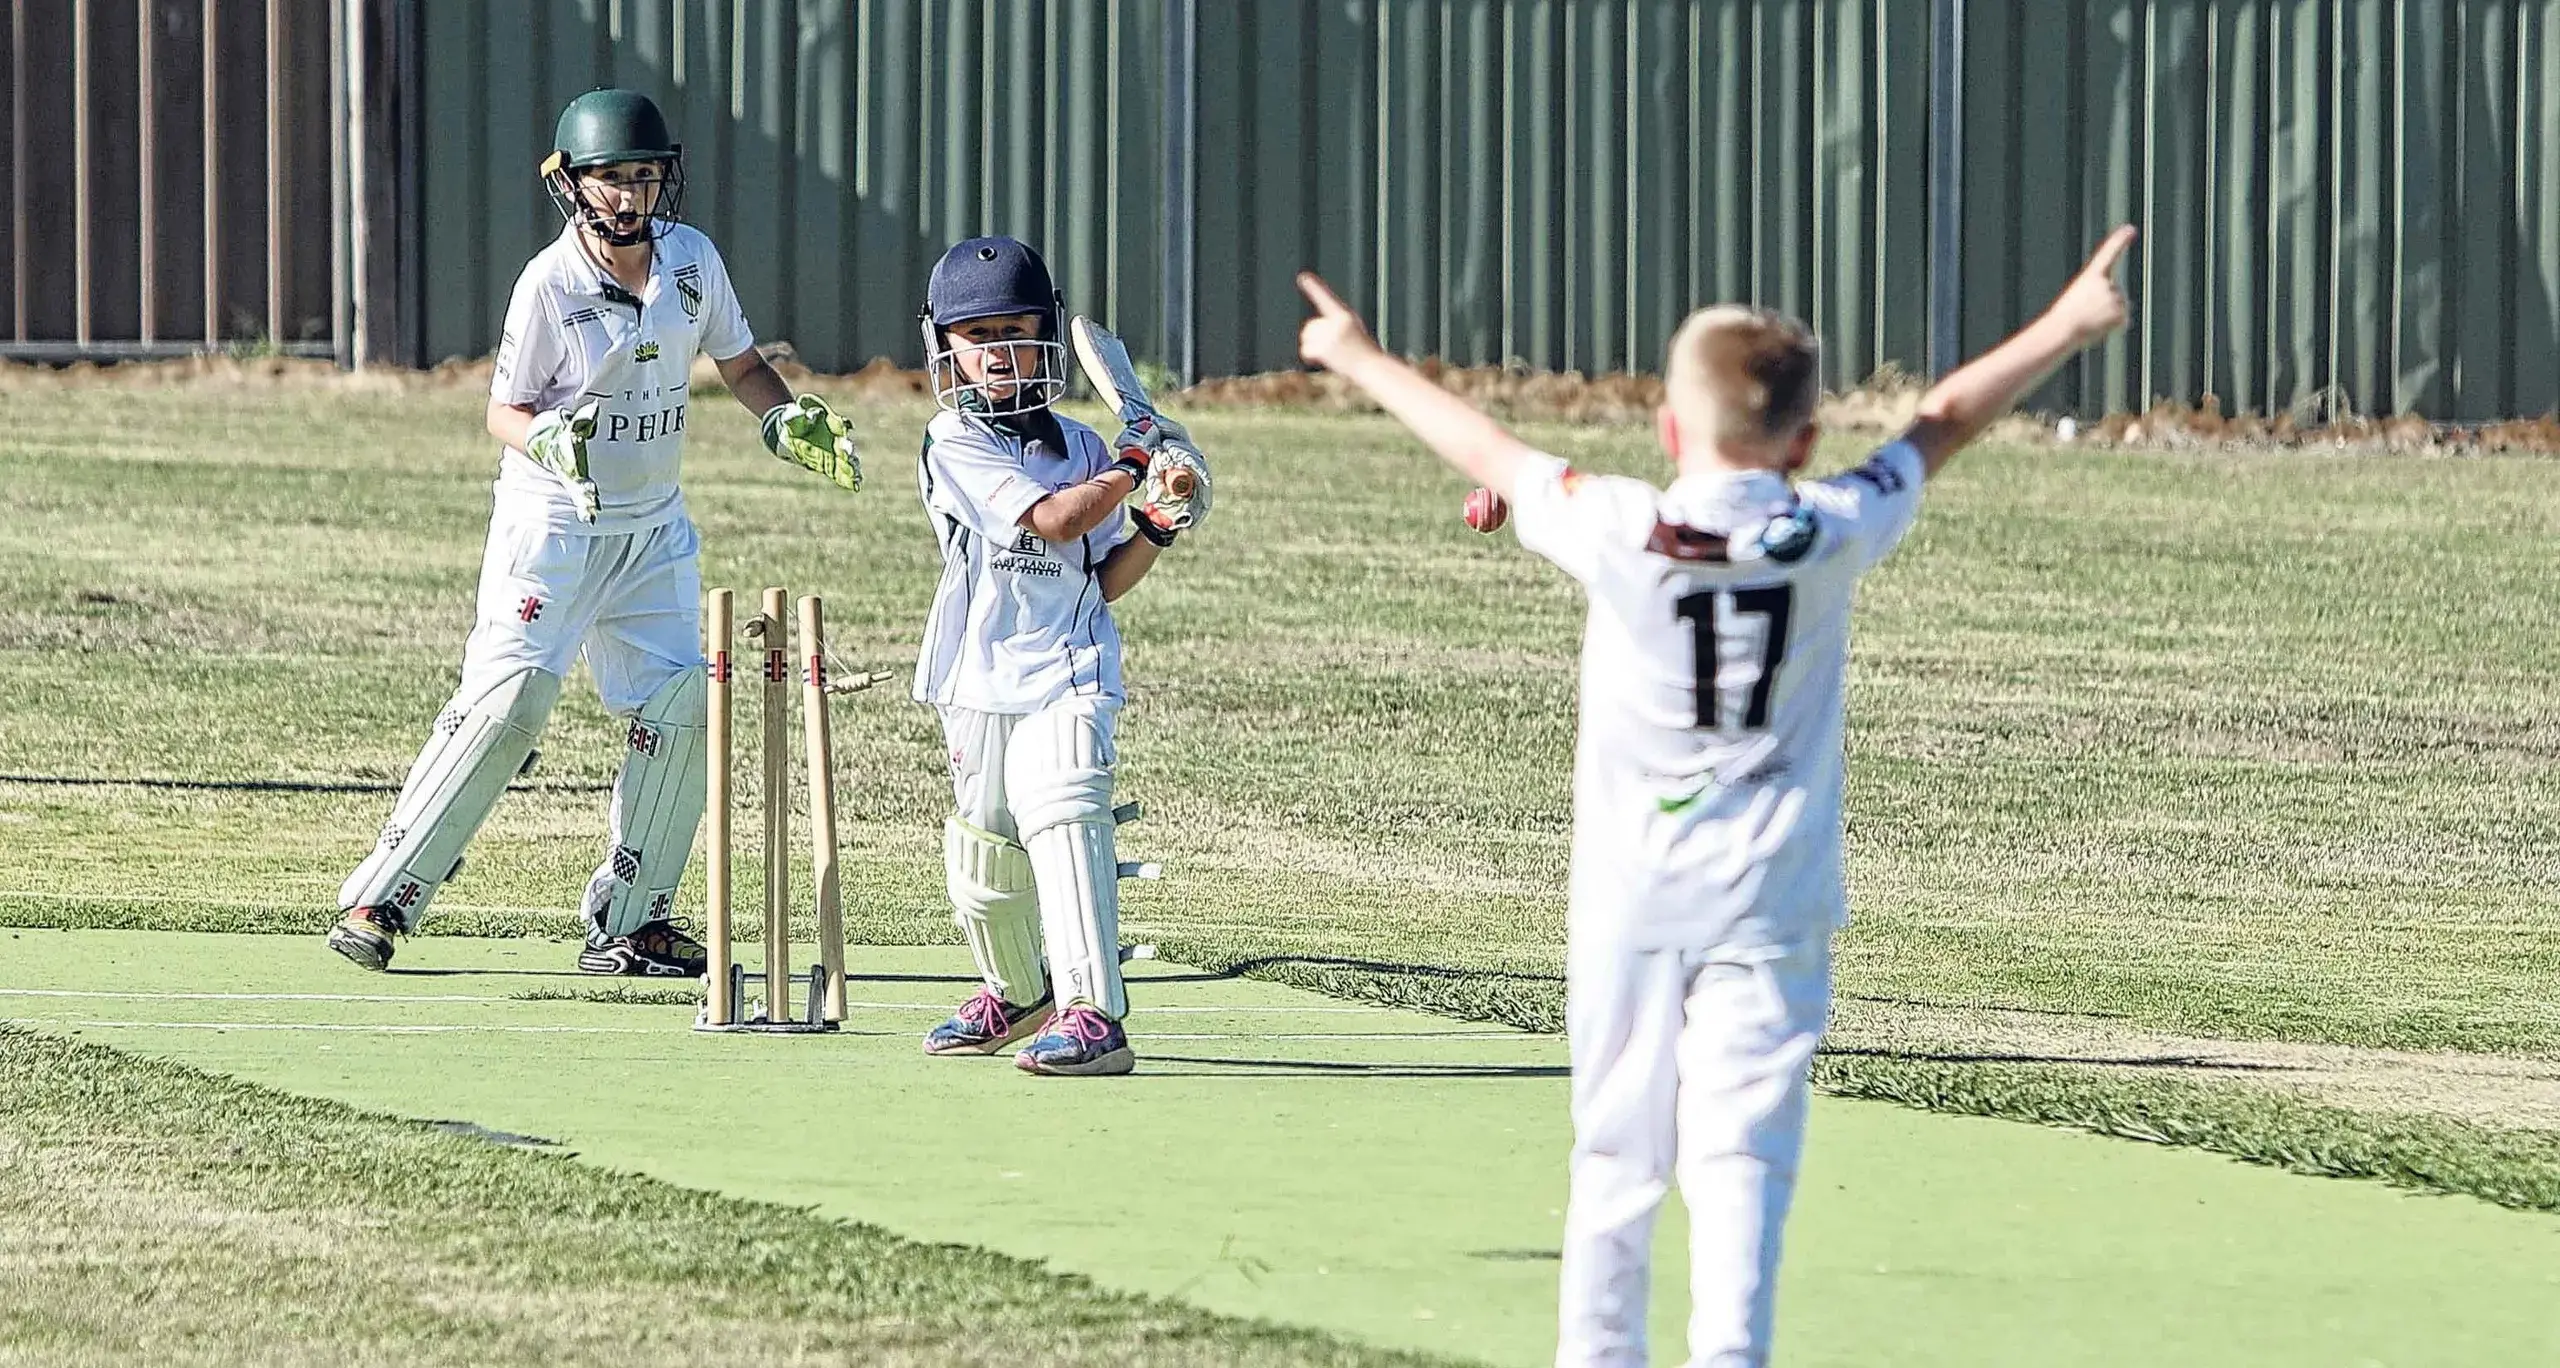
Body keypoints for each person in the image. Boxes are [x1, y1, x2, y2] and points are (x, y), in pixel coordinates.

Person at [1294, 227, 2135, 1366]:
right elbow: (1939, 421)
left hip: (1634, 897)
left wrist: (1355, 355)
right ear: (1805, 437)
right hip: (1773, 898)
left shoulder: (1618, 522)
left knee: (1615, 1157)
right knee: (1744, 1155)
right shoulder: (1827, 526)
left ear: (1666, 426)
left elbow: (1485, 447)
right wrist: (2068, 324)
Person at [327, 88, 864, 976]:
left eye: (645, 178)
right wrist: (545, 437)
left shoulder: (692, 261)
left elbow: (740, 364)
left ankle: (632, 916)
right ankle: (383, 894)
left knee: (684, 703)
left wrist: (782, 418)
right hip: (556, 524)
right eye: (611, 179)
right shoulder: (549, 283)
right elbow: (504, 408)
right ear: (572, 185)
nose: (629, 195)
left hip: (653, 530)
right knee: (509, 706)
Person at [907, 235, 1210, 1076]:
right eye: (978, 336)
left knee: (1062, 802)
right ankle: (1018, 989)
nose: (999, 351)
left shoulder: (1083, 446)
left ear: (1043, 332)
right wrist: (1138, 458)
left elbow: (1104, 575)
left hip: (1070, 667)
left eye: (1015, 328)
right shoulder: (953, 441)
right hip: (975, 671)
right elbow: (1056, 522)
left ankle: (1094, 1013)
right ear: (945, 349)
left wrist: (1163, 517)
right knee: (983, 848)